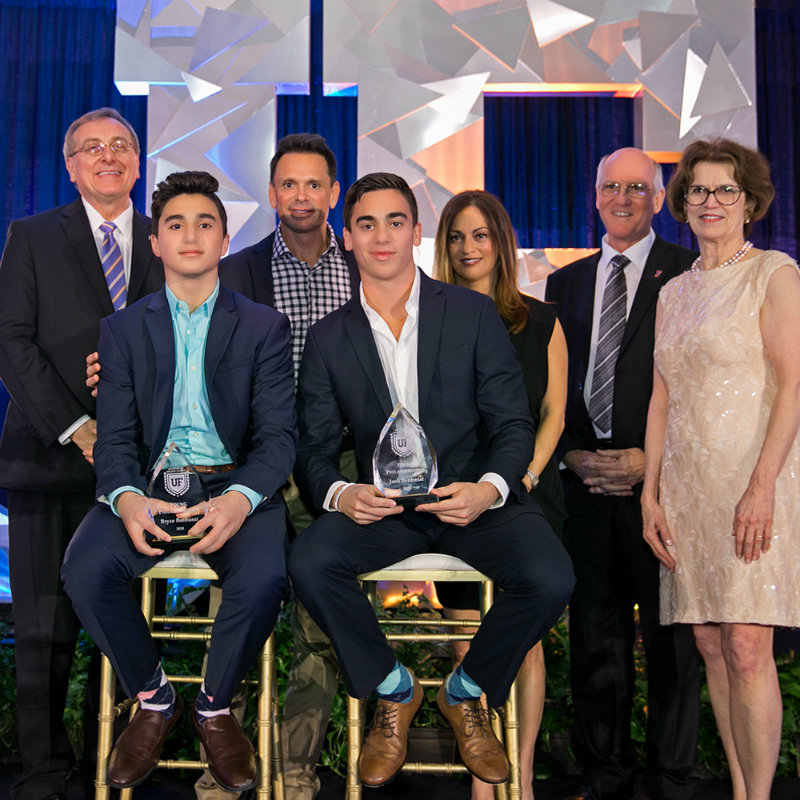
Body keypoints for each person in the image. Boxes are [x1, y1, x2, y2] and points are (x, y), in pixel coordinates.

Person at [86, 132, 359, 800]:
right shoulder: (234, 269)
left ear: (332, 192)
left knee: (302, 606)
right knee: (215, 599)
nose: (300, 195)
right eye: (287, 184)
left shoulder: (361, 268)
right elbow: (141, 396)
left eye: (314, 183)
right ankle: (203, 731)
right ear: (270, 196)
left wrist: (248, 490)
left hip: (325, 463)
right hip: (221, 469)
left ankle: (293, 764)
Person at [289, 172, 575, 789]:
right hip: (387, 513)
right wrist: (342, 494)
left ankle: (466, 691)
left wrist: (490, 488)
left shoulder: (471, 315)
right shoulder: (329, 337)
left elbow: (513, 423)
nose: (382, 235)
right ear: (348, 238)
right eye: (367, 223)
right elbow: (311, 451)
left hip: (473, 502)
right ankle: (393, 690)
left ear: (417, 233)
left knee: (552, 575)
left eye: (396, 221)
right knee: (311, 561)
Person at [62, 171, 297, 793]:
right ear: (156, 243)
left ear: (224, 240)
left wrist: (240, 500)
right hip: (149, 486)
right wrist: (127, 496)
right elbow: (112, 439)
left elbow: (277, 439)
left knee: (266, 574)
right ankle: (155, 697)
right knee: (85, 570)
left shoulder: (263, 326)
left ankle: (214, 709)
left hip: (235, 484)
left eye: (205, 224)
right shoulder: (121, 330)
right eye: (175, 224)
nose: (190, 235)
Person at [0, 107, 164, 800]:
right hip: (49, 458)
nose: (107, 156)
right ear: (70, 166)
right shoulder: (33, 236)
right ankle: (43, 772)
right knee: (42, 632)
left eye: (120, 145)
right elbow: (12, 342)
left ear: (137, 160)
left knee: (122, 626)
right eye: (90, 148)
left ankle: (113, 765)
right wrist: (78, 424)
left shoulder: (169, 239)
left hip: (146, 470)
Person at [641, 139, 800, 800]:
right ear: (683, 202)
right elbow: (660, 399)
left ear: (750, 202)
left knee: (746, 646)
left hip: (751, 485)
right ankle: (740, 788)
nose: (710, 202)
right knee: (709, 644)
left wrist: (762, 486)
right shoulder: (673, 291)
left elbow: (794, 384)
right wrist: (650, 494)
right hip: (686, 491)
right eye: (699, 190)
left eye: (724, 190)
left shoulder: (774, 273)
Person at [545, 148, 701, 800]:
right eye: (612, 185)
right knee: (595, 635)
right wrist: (572, 455)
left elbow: (704, 388)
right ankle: (607, 769)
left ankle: (670, 776)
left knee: (671, 642)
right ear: (596, 195)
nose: (624, 196)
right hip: (585, 485)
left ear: (658, 198)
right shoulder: (567, 283)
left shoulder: (691, 273)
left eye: (638, 186)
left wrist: (650, 459)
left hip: (660, 488)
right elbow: (554, 388)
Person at [433, 189, 568, 800]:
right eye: (457, 236)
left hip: (528, 495)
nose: (468, 248)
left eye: (480, 235)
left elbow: (554, 413)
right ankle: (483, 782)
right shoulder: (429, 320)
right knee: (469, 636)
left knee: (526, 639)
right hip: (456, 500)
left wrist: (522, 479)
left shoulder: (540, 319)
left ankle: (523, 775)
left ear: (501, 243)